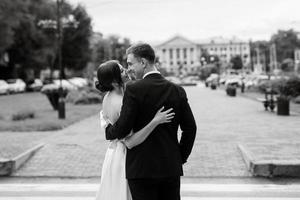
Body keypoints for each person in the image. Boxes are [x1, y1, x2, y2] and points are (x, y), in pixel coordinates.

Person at [105, 43, 197, 200]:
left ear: (143, 62)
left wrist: (108, 129)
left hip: (141, 169)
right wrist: (179, 157)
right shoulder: (177, 90)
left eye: (130, 63)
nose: (129, 69)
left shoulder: (134, 89)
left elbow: (123, 129)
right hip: (170, 167)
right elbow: (190, 128)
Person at [95, 60, 175, 200]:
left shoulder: (117, 95)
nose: (126, 70)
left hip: (115, 152)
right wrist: (155, 121)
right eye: (121, 70)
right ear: (114, 82)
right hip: (125, 157)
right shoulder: (118, 102)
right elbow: (130, 141)